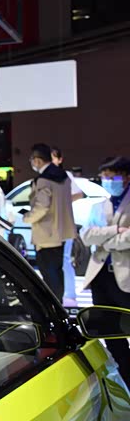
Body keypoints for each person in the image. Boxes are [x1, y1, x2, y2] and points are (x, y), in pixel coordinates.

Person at [81, 156, 130, 383]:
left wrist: (106, 241)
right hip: (100, 276)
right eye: (104, 177)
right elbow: (86, 235)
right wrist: (115, 231)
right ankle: (125, 373)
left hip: (126, 276)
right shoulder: (99, 205)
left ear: (126, 176)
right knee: (108, 329)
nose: (107, 181)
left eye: (112, 176)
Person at [23, 143, 76, 302]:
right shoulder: (64, 177)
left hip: (46, 235)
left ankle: (53, 307)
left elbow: (42, 207)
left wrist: (26, 217)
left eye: (32, 160)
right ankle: (58, 304)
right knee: (57, 273)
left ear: (38, 160)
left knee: (49, 275)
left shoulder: (44, 180)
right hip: (61, 233)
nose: (32, 163)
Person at [51, 146, 85, 308]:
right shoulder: (45, 177)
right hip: (50, 225)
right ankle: (57, 293)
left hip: (64, 224)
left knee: (64, 259)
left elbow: (79, 194)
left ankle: (69, 295)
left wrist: (62, 199)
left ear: (60, 160)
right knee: (52, 261)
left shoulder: (65, 175)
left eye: (53, 157)